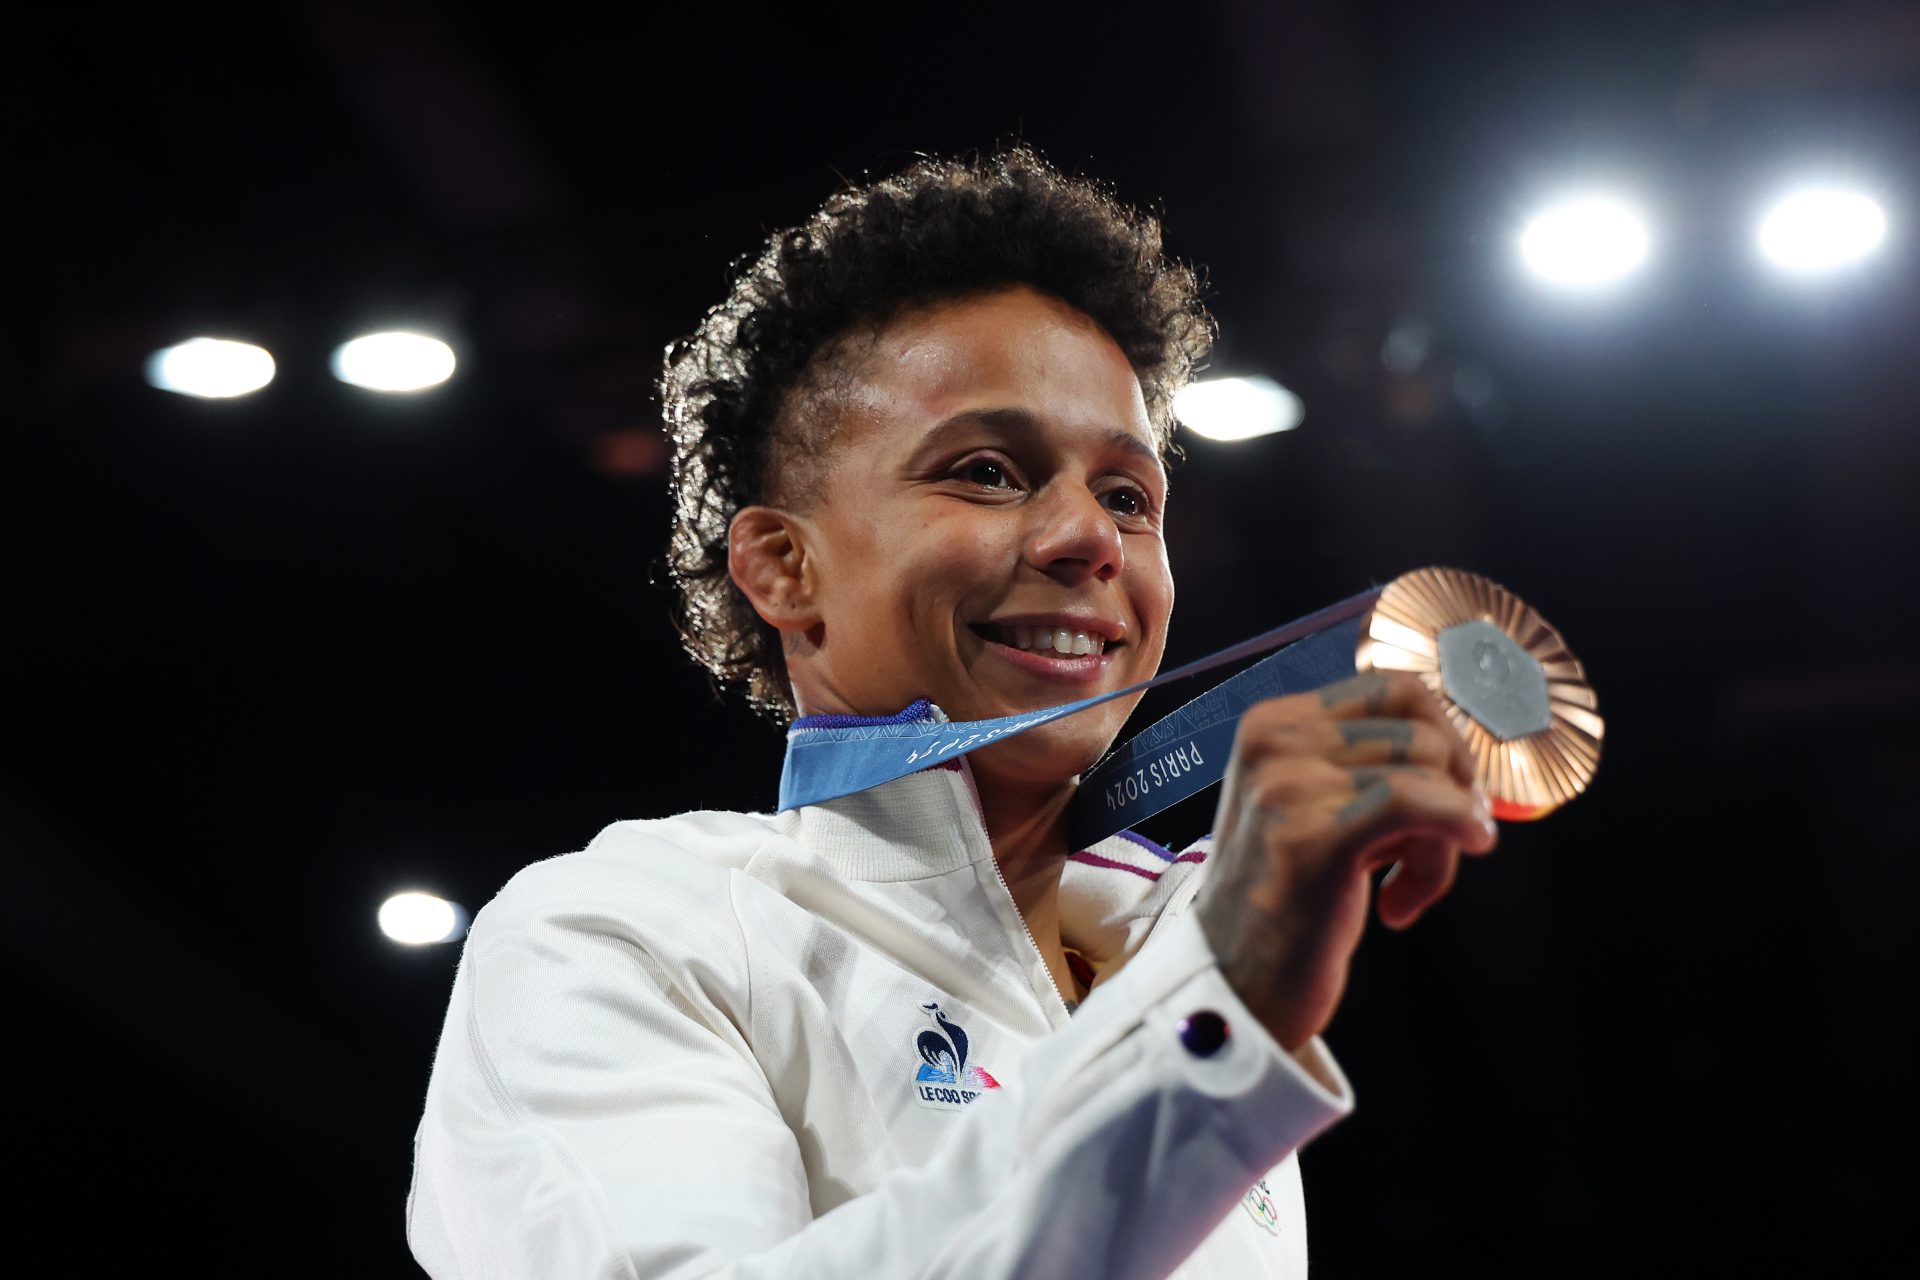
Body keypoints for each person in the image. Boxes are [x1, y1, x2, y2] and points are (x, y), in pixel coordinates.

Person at [406, 146, 1498, 1279]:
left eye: (1129, 495)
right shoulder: (623, 932)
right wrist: (1206, 1032)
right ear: (784, 567)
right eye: (984, 469)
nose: (1090, 539)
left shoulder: (1178, 958)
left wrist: (1210, 999)